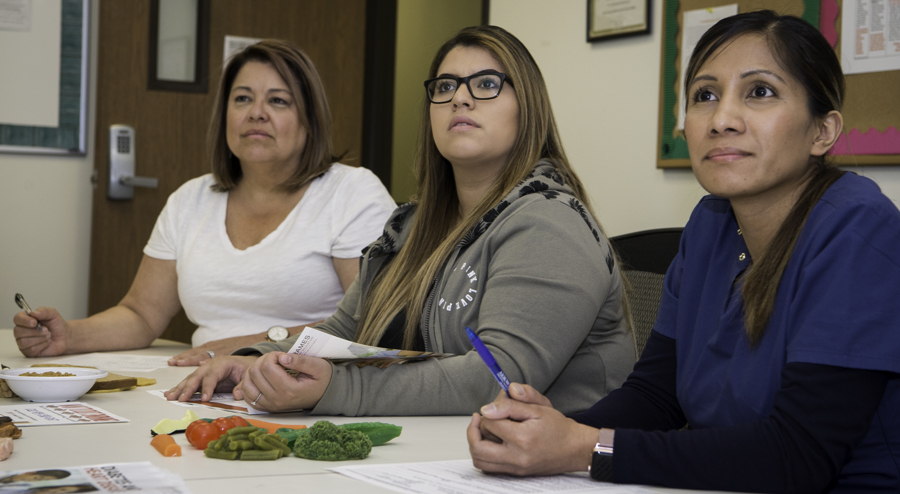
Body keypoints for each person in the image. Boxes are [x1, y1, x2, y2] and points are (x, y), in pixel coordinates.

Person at [467, 10, 900, 493]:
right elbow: (656, 396)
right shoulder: (710, 224)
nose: (722, 120)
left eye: (760, 91)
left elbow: (798, 456)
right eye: (705, 96)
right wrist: (552, 432)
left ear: (823, 131)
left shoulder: (858, 228)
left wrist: (583, 447)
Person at [164, 25, 636, 416]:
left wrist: (335, 389)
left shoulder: (550, 222)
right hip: (440, 452)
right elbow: (343, 331)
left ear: (527, 106)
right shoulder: (411, 227)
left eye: (486, 84)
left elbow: (497, 378)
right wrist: (253, 360)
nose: (460, 99)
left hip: (551, 471)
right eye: (445, 86)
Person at [13, 40, 396, 366]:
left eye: (278, 101)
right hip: (205, 385)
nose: (256, 113)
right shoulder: (190, 199)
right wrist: (68, 335)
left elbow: (373, 322)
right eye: (242, 98)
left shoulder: (352, 192)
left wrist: (255, 344)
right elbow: (141, 314)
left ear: (310, 120)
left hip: (309, 388)